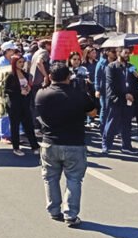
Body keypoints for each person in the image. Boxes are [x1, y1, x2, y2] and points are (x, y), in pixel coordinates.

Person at [36, 63, 97, 228]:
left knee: (50, 178)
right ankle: (70, 214)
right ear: (68, 77)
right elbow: (93, 112)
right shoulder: (79, 94)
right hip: (74, 142)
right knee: (74, 179)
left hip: (50, 142)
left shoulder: (41, 95)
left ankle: (54, 210)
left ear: (49, 76)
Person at [102, 47, 138, 155]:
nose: (128, 55)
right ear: (119, 53)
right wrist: (118, 96)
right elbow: (110, 84)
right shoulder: (111, 66)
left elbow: (135, 83)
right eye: (125, 52)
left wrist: (132, 93)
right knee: (112, 123)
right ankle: (106, 145)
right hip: (116, 100)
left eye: (129, 53)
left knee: (127, 124)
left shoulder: (131, 67)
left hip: (128, 100)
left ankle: (126, 146)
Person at [3, 55, 39, 156]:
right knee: (15, 127)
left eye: (23, 62)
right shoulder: (11, 75)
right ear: (14, 63)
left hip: (25, 103)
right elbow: (7, 90)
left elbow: (28, 85)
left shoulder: (25, 74)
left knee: (29, 125)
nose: (22, 64)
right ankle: (16, 147)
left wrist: (28, 89)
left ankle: (35, 146)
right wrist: (19, 91)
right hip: (14, 105)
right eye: (19, 62)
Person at [94, 48, 116, 132]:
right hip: (103, 90)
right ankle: (103, 129)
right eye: (113, 52)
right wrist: (97, 89)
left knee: (114, 110)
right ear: (107, 52)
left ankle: (113, 129)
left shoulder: (117, 62)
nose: (115, 54)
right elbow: (97, 76)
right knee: (104, 109)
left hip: (114, 89)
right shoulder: (102, 63)